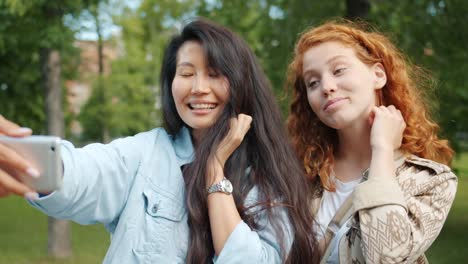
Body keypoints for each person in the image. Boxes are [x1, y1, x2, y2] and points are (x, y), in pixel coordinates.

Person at [0, 19, 320, 263]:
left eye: (214, 73)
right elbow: (83, 172)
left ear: (240, 82)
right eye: (186, 73)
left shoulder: (271, 176)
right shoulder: (146, 152)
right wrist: (19, 156)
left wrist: (214, 172)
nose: (198, 88)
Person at [286, 20, 458, 263]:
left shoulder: (431, 181)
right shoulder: (299, 173)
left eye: (338, 70)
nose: (326, 87)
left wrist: (382, 149)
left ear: (378, 75)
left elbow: (384, 257)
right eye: (312, 82)